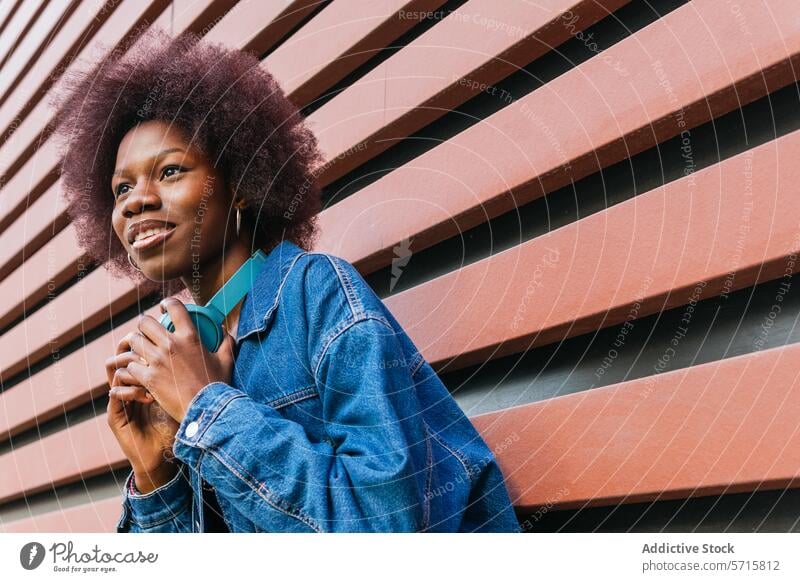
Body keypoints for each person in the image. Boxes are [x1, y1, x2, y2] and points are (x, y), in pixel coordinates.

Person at [48, 26, 519, 533]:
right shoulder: (180, 350)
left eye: (169, 172)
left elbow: (387, 528)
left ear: (242, 184)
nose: (134, 200)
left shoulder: (316, 294)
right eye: (121, 188)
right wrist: (155, 475)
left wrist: (207, 409)